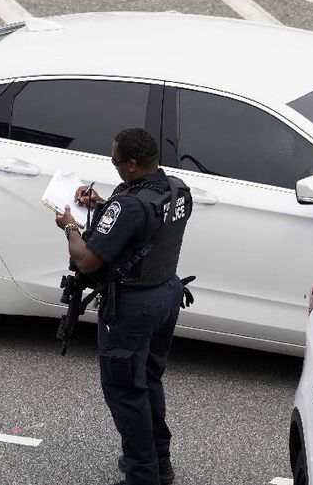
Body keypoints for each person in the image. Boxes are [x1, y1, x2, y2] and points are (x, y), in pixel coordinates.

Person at [54, 128, 193, 485]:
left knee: (125, 393)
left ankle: (142, 476)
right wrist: (102, 205)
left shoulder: (128, 206)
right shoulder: (176, 189)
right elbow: (145, 225)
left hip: (132, 308)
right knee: (147, 379)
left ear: (131, 164)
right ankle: (159, 461)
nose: (114, 166)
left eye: (116, 161)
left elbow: (86, 262)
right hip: (166, 294)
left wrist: (70, 226)